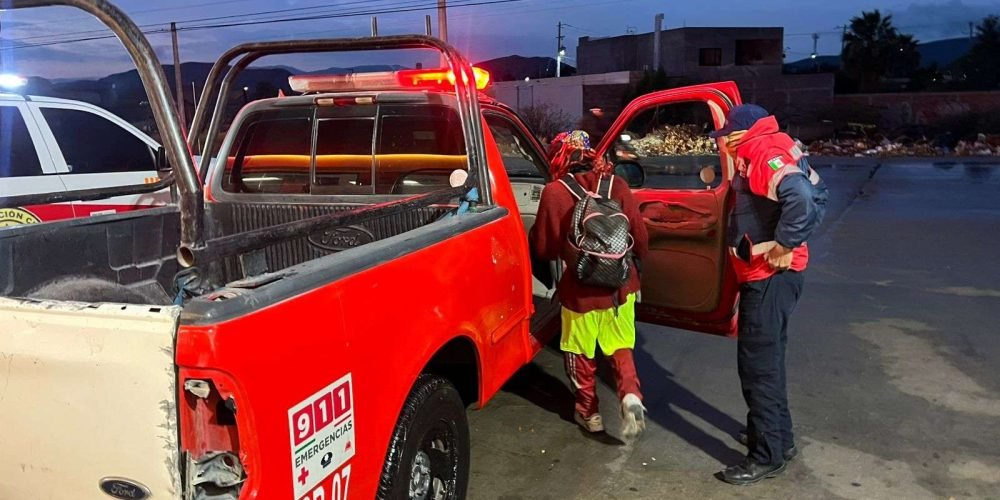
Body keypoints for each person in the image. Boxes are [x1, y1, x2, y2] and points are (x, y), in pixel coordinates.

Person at [710, 105, 828, 485]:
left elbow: (803, 199)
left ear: (738, 134)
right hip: (774, 278)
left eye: (723, 136)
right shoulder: (774, 145)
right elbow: (818, 193)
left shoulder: (762, 153)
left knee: (758, 368)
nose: (722, 144)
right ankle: (779, 438)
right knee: (770, 362)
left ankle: (766, 455)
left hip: (770, 277)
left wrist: (785, 243)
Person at [529, 130, 649, 437]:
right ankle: (631, 395)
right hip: (620, 288)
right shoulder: (618, 184)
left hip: (581, 291)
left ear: (559, 157)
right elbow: (641, 240)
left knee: (580, 352)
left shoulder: (555, 192)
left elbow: (544, 248)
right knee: (620, 346)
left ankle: (589, 413)